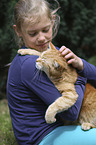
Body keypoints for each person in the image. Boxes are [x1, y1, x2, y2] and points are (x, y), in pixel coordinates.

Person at [7, 0, 96, 145]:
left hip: (61, 128)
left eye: (45, 29)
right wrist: (78, 77)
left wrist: (80, 64)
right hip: (43, 137)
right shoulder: (30, 65)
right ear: (18, 31)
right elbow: (71, 112)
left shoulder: (51, 51)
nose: (41, 38)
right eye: (33, 33)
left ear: (53, 22)